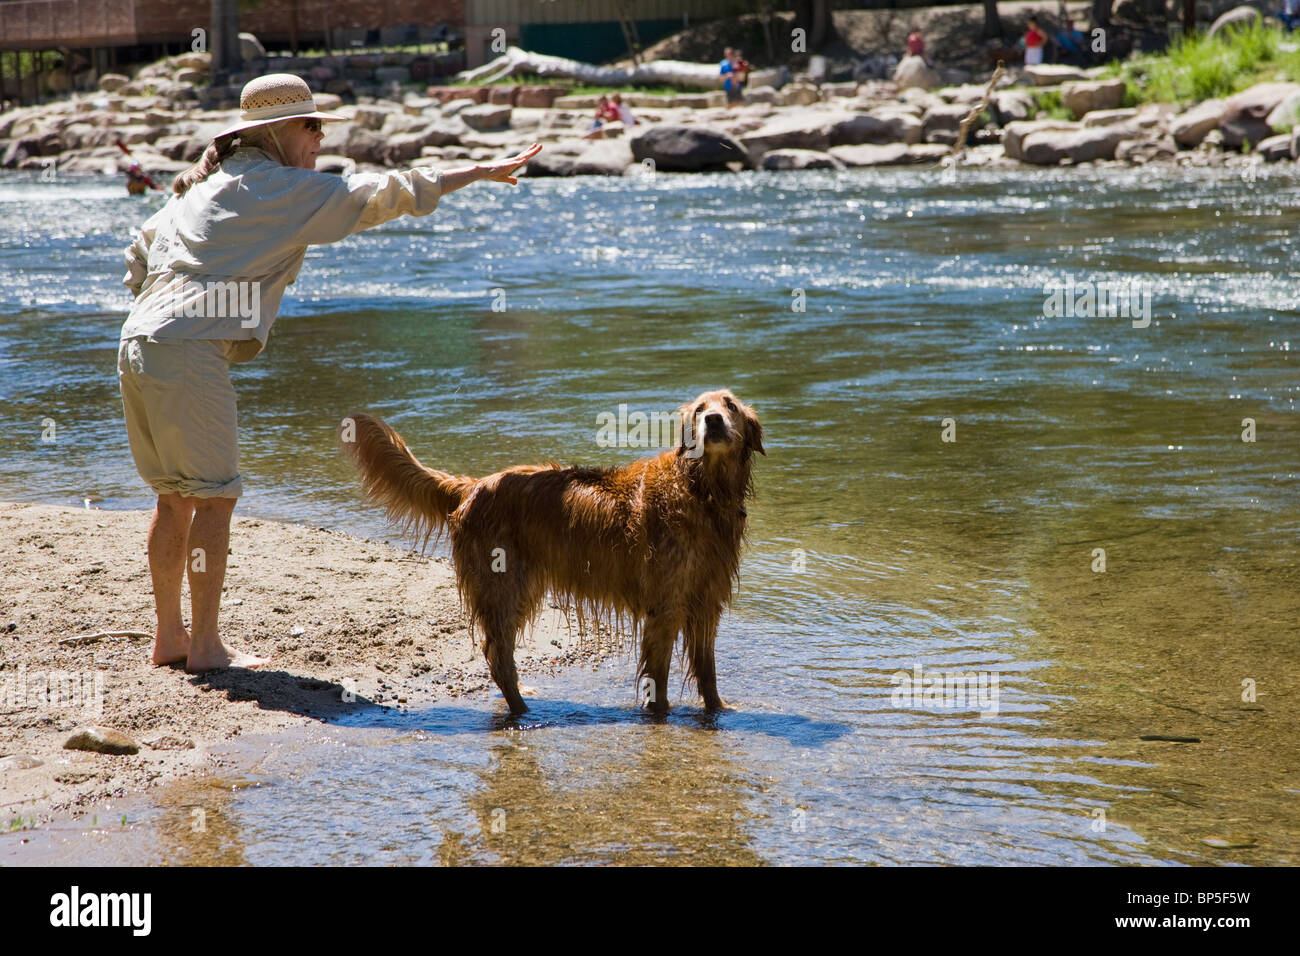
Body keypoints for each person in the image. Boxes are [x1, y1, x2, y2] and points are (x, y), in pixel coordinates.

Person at [117, 73, 541, 671]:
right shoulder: (279, 187)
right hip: (187, 350)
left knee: (172, 499)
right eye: (311, 126)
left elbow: (138, 251)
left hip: (138, 342)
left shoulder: (201, 190)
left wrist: (162, 311)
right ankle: (207, 648)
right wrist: (471, 173)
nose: (320, 139)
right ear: (274, 131)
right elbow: (375, 196)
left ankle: (171, 638)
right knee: (213, 501)